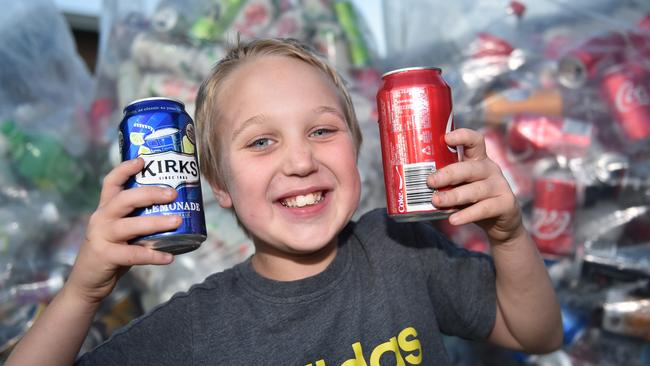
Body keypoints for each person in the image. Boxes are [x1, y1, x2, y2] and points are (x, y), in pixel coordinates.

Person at [6, 38, 562, 365]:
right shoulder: (196, 330)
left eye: (322, 131)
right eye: (261, 141)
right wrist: (84, 290)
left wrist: (508, 235)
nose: (299, 162)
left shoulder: (402, 250)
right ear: (217, 186)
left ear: (362, 149)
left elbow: (536, 334)